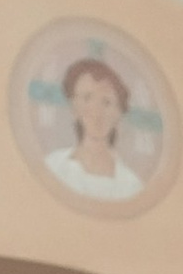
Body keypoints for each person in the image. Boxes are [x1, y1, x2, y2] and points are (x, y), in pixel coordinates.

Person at [46, 56, 144, 201]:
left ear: (119, 112)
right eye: (87, 98)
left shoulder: (131, 186)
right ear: (74, 107)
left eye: (106, 102)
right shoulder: (53, 166)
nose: (96, 112)